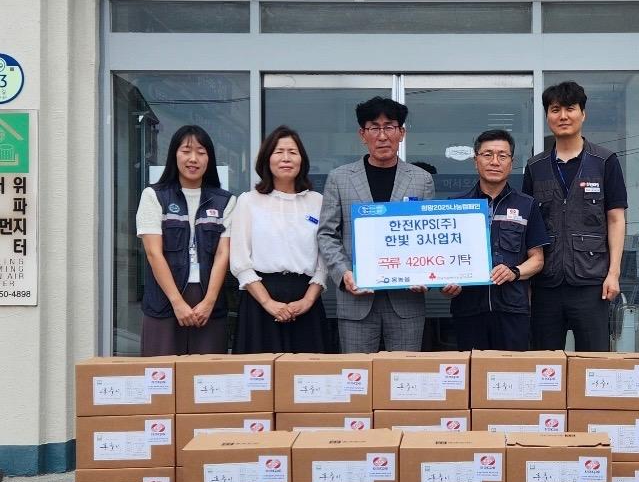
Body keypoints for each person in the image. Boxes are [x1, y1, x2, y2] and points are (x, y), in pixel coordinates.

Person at [317, 96, 435, 353]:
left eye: (389, 127)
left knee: (403, 373)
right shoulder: (339, 178)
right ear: (362, 134)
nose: (382, 136)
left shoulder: (421, 179)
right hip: (356, 299)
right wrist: (344, 273)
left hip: (406, 300)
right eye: (374, 128)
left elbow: (428, 234)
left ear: (401, 132)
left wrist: (424, 272)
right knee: (358, 373)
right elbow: (327, 234)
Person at [522, 80, 628, 351]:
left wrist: (613, 273)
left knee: (593, 364)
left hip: (592, 283)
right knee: (545, 364)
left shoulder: (605, 161)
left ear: (583, 114)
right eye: (555, 109)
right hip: (546, 284)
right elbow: (528, 227)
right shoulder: (535, 167)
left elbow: (616, 219)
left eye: (570, 108)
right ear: (547, 116)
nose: (563, 116)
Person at [442, 129, 548, 351]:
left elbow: (537, 259)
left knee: (511, 371)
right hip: (468, 309)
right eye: (487, 154)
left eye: (502, 155)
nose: (495, 162)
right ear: (476, 161)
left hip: (512, 310)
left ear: (511, 162)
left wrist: (514, 272)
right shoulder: (456, 206)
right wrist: (446, 283)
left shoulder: (527, 205)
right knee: (471, 371)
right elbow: (444, 259)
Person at [136, 124, 235, 356]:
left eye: (201, 152)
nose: (193, 159)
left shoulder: (225, 201)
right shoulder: (154, 196)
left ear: (209, 158)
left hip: (208, 302)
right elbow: (153, 253)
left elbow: (223, 254)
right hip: (164, 300)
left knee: (208, 374)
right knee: (161, 373)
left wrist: (209, 301)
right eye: (186, 151)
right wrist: (177, 302)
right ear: (174, 154)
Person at [230, 125, 328, 353]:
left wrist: (308, 300)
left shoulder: (317, 201)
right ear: (267, 159)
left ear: (302, 160)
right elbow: (240, 260)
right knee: (260, 372)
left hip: (306, 298)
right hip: (259, 299)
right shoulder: (248, 201)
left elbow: (324, 259)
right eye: (279, 152)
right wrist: (268, 303)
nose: (286, 158)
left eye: (292, 152)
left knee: (308, 371)